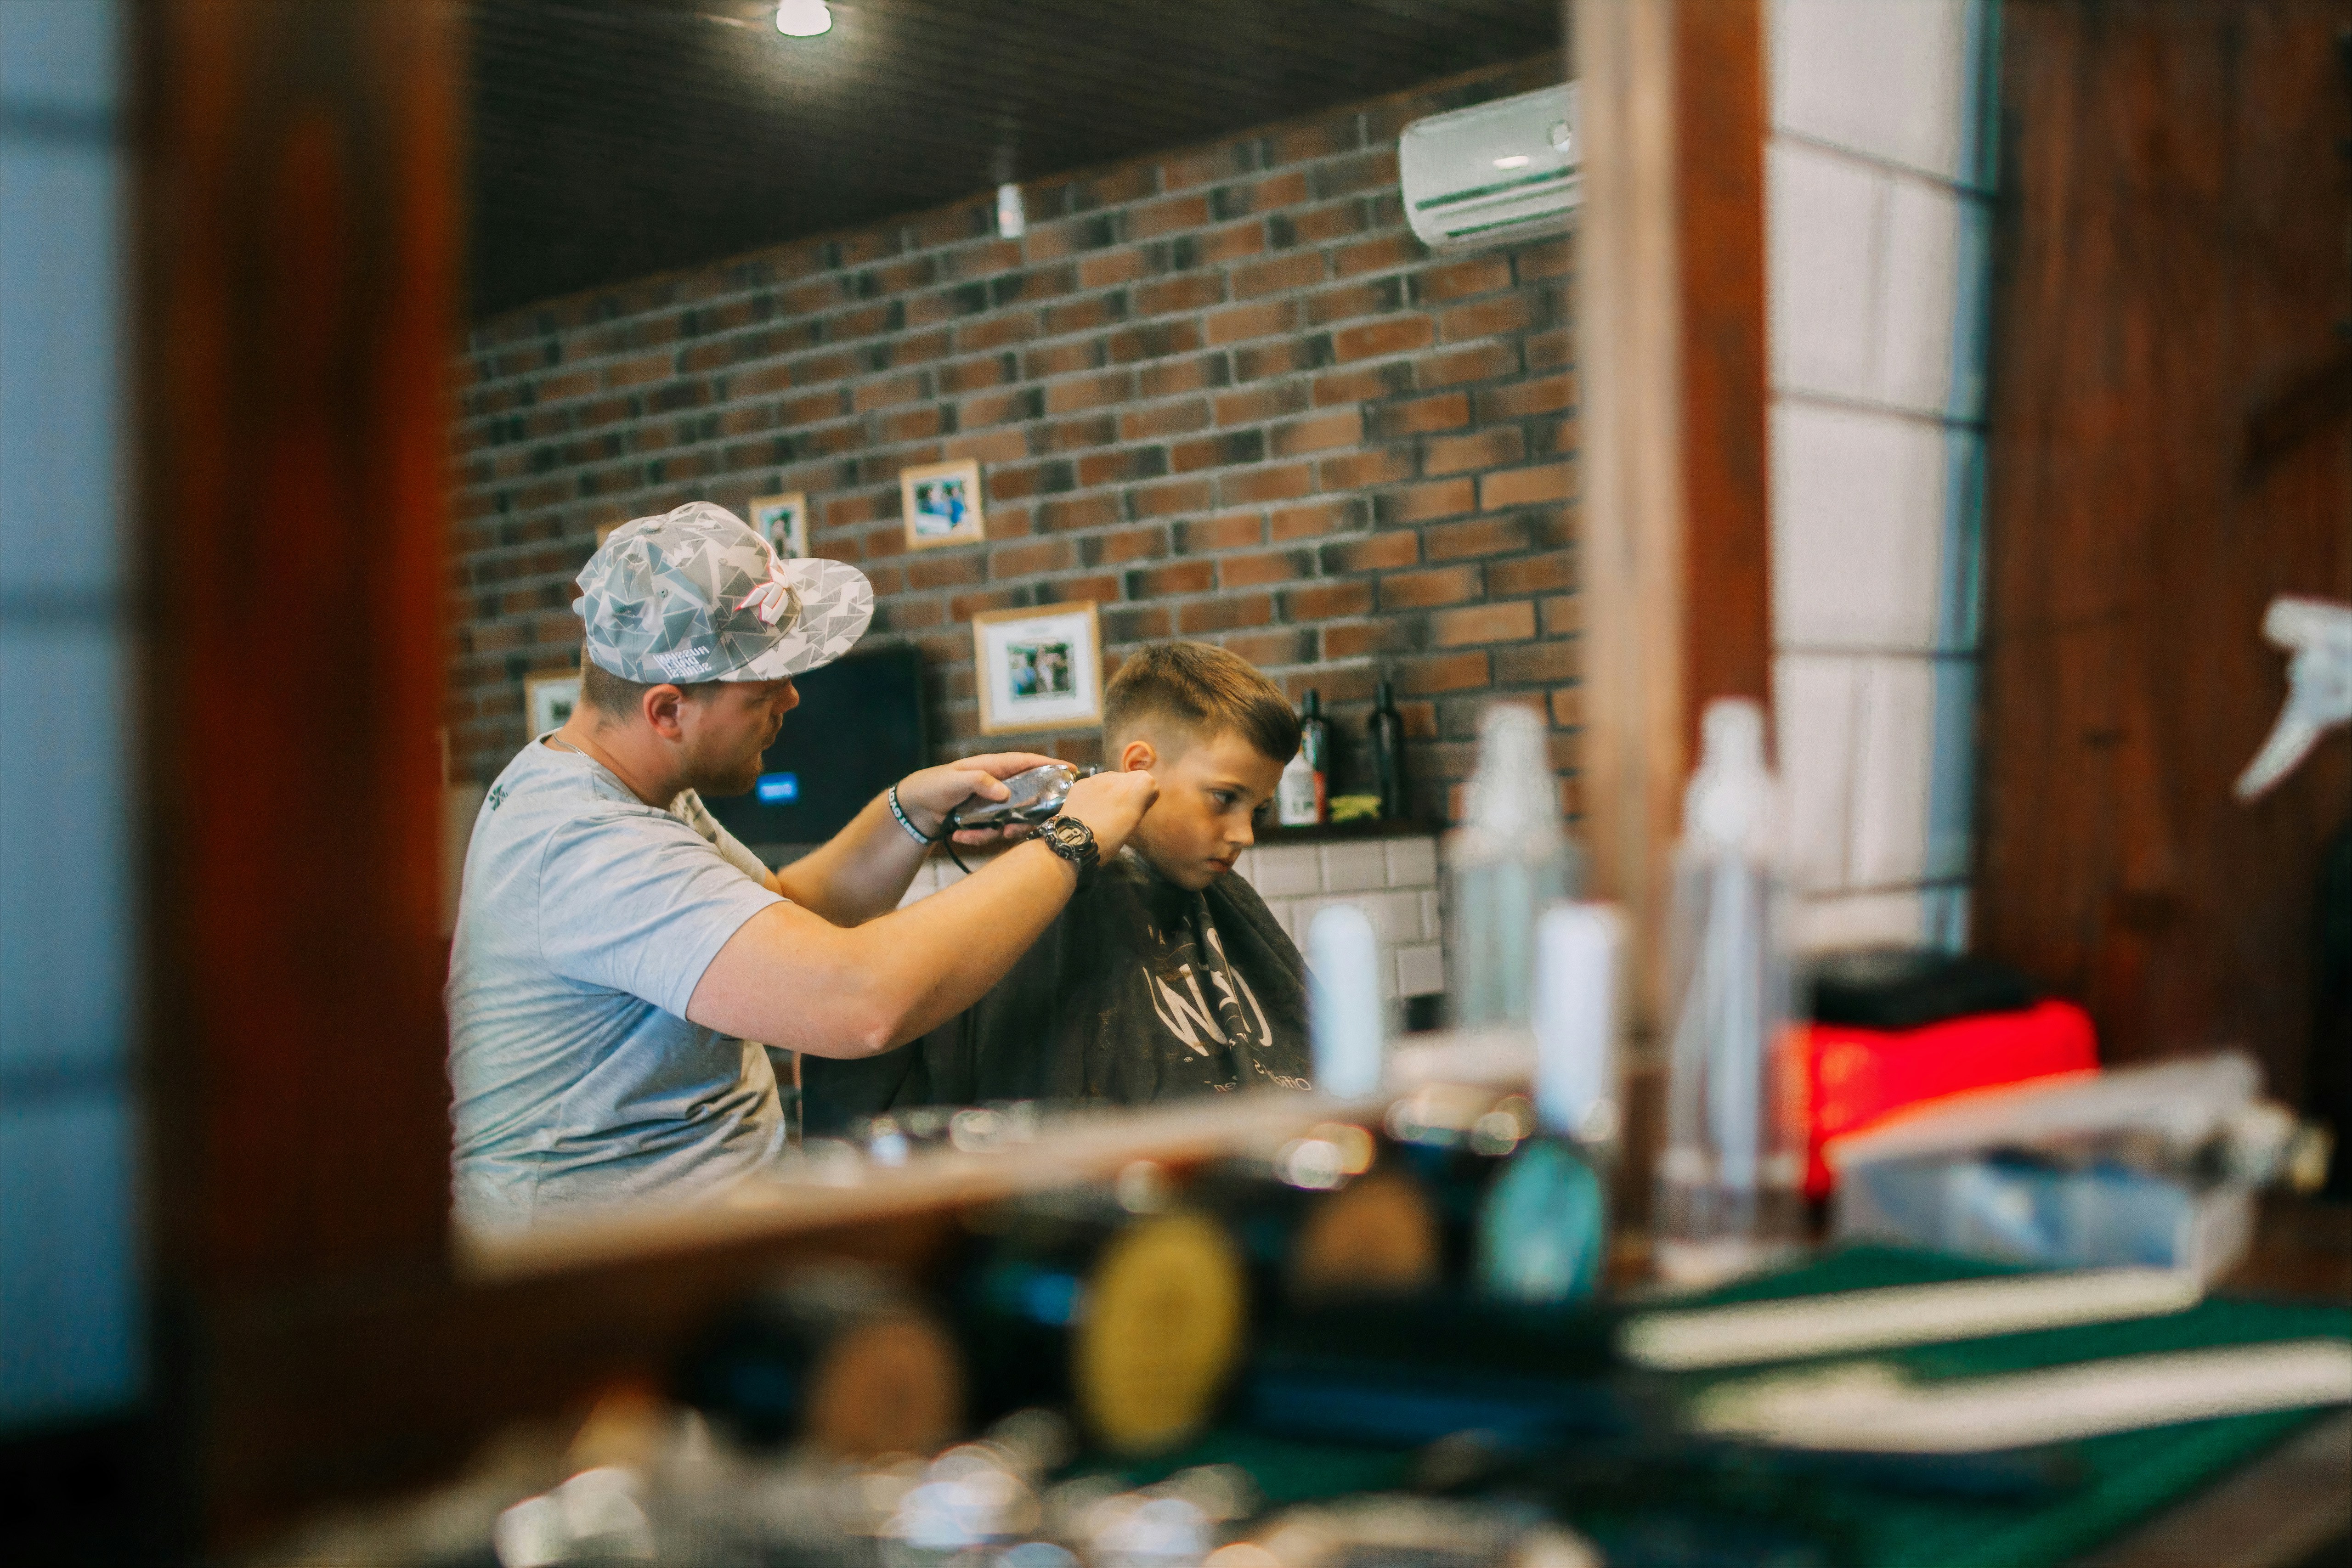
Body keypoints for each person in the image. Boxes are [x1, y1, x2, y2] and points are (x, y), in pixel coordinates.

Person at [445, 502, 1156, 1232]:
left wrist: (910, 809)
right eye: (763, 690)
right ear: (667, 711)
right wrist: (1073, 842)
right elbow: (861, 1003)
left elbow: (789, 907)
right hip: (597, 1281)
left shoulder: (634, 789)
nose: (792, 698)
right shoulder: (589, 846)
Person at [806, 642, 1314, 1122]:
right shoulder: (1046, 905)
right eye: (1224, 798)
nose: (1245, 834)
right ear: (1139, 767)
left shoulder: (1228, 904)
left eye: (1260, 809)